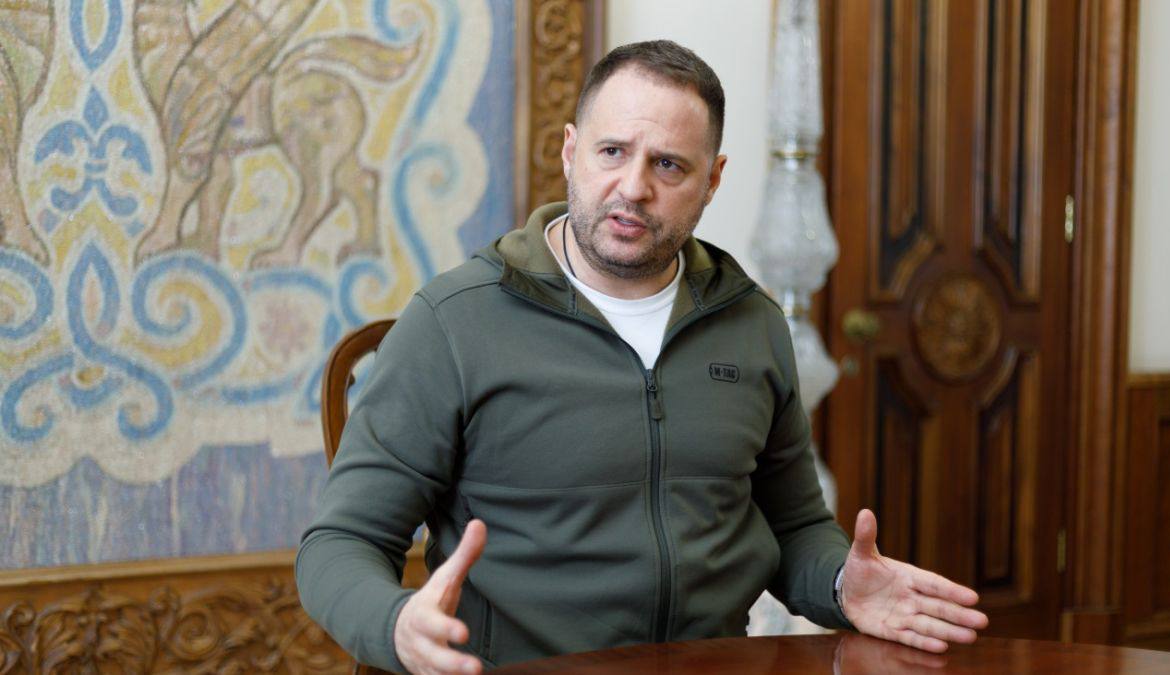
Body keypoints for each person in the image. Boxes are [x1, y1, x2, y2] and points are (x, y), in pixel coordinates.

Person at [296, 40, 988, 674]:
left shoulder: (751, 323)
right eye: (612, 152)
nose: (633, 186)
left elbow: (794, 526)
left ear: (712, 179)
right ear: (570, 151)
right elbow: (339, 543)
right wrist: (396, 625)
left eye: (668, 164)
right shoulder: (455, 321)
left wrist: (839, 582)